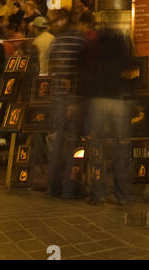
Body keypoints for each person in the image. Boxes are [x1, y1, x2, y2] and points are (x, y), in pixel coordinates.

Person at [81, 23, 133, 205]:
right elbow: (128, 65)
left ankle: (99, 192)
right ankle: (122, 194)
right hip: (117, 98)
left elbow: (83, 69)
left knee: (97, 149)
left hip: (97, 99)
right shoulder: (121, 41)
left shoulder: (92, 43)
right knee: (121, 149)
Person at [47, 11, 86, 199]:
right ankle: (68, 187)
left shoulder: (57, 41)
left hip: (59, 97)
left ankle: (53, 185)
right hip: (71, 99)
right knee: (71, 144)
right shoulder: (79, 42)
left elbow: (51, 66)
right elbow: (80, 70)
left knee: (57, 143)